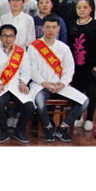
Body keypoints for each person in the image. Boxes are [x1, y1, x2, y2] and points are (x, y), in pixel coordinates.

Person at [28, 15, 89, 143]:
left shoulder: (64, 48)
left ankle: (63, 128)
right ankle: (48, 128)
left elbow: (69, 68)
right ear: (43, 28)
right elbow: (32, 69)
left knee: (84, 101)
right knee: (39, 103)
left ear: (58, 29)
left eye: (54, 27)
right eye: (48, 27)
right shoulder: (34, 47)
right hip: (40, 84)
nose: (51, 30)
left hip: (59, 84)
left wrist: (63, 83)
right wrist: (44, 83)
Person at [0, 24, 33, 144]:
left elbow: (26, 70)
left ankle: (19, 131)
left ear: (15, 37)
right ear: (0, 37)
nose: (8, 39)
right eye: (5, 36)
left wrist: (23, 82)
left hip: (18, 85)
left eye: (10, 36)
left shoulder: (21, 52)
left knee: (29, 106)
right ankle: (4, 132)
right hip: (1, 85)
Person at [68, 0, 96, 132]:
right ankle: (78, 116)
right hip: (76, 65)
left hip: (91, 65)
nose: (82, 10)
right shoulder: (72, 24)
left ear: (90, 9)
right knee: (77, 91)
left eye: (85, 7)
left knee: (90, 91)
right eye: (79, 7)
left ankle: (90, 118)